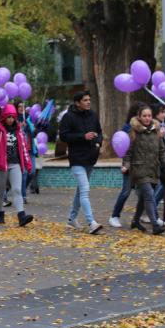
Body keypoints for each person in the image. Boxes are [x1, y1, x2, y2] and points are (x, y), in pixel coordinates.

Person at [122, 105, 165, 235]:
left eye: (149, 115)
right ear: (139, 117)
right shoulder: (133, 132)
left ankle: (135, 221)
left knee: (143, 199)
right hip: (139, 169)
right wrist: (126, 165)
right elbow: (128, 152)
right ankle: (155, 225)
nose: (147, 118)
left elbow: (162, 152)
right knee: (149, 196)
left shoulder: (156, 131)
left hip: (153, 169)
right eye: (144, 116)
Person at [59, 90, 103, 234]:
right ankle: (92, 223)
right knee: (85, 190)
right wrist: (83, 137)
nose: (88, 102)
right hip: (77, 159)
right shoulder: (68, 117)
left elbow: (99, 132)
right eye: (85, 100)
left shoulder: (93, 115)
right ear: (77, 103)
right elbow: (64, 136)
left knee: (80, 190)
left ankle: (71, 219)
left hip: (90, 157)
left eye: (89, 99)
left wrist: (97, 142)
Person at [0, 104, 34, 227]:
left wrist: (28, 165)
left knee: (17, 189)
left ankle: (21, 216)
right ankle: (0, 215)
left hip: (15, 164)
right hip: (0, 165)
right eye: (8, 117)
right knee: (1, 191)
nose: (11, 120)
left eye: (13, 117)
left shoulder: (18, 131)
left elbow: (23, 149)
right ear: (4, 117)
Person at [108, 103, 143, 228]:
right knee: (126, 192)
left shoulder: (145, 128)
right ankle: (114, 216)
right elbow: (125, 148)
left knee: (144, 192)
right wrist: (126, 164)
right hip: (130, 165)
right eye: (141, 114)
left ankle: (143, 217)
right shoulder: (127, 128)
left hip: (142, 164)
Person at [15, 99, 37, 205]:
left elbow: (32, 134)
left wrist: (34, 129)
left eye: (23, 106)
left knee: (32, 172)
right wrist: (20, 127)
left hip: (30, 150)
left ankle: (21, 188)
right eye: (19, 106)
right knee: (23, 174)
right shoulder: (13, 119)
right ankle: (23, 195)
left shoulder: (28, 119)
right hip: (21, 151)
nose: (21, 108)